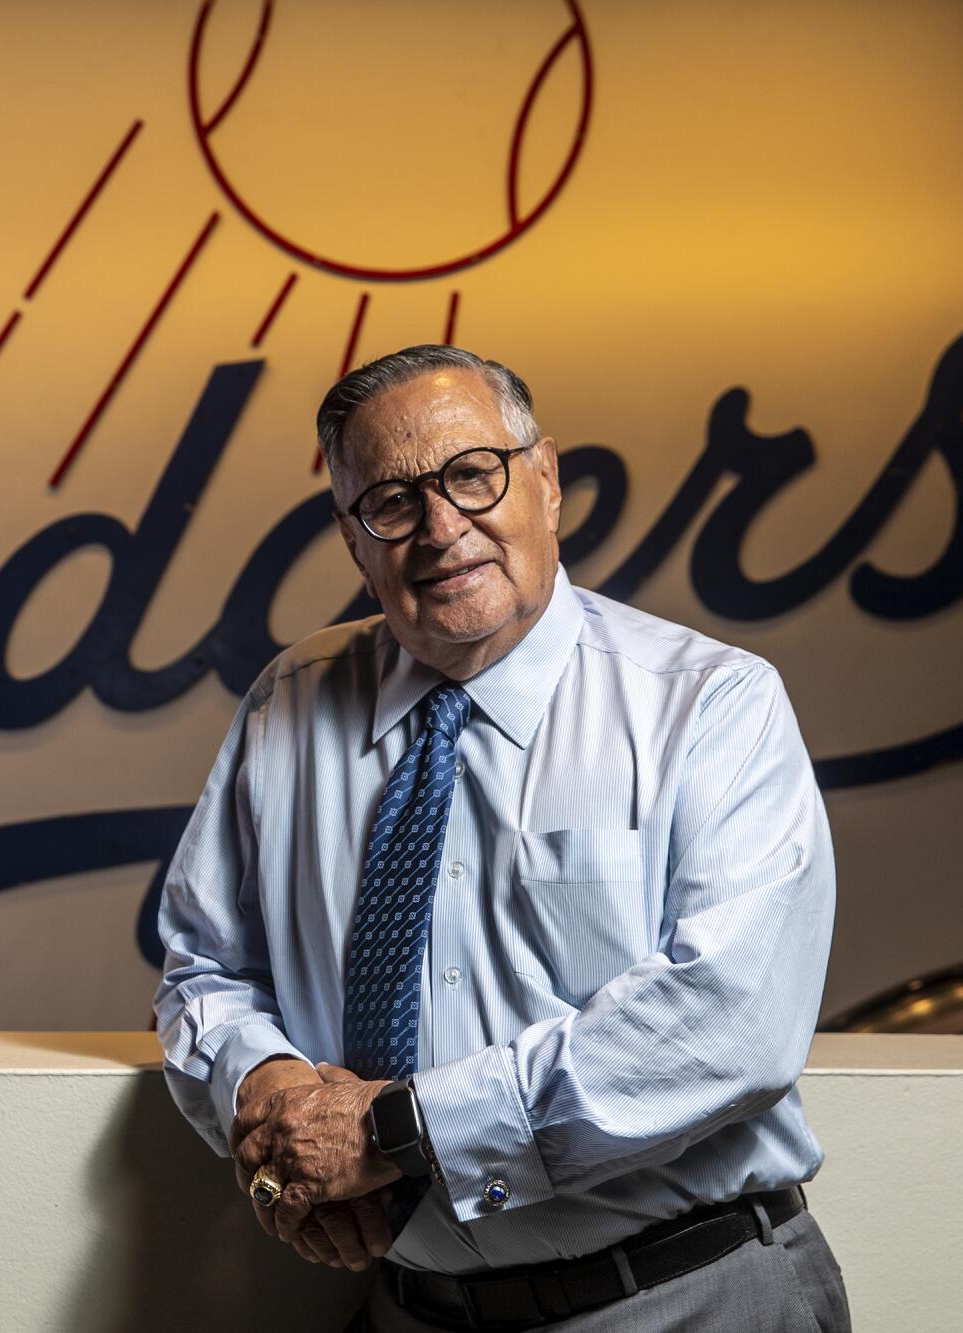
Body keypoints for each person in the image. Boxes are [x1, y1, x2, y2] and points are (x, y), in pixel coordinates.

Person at [153, 346, 850, 1330]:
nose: (441, 529)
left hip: (681, 1301)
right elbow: (203, 971)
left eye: (471, 474)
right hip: (414, 1307)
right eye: (389, 503)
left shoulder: (706, 705)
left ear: (545, 481)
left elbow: (727, 1022)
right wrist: (273, 1105)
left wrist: (397, 1133)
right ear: (351, 538)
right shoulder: (286, 704)